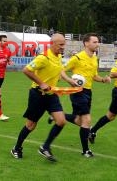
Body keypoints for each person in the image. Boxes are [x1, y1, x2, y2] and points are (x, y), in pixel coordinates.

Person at [10, 33, 78, 162]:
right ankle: (16, 148)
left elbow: (59, 71)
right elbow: (26, 70)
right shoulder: (43, 57)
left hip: (51, 95)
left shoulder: (58, 56)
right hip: (38, 95)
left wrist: (69, 80)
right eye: (61, 44)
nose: (63, 47)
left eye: (64, 44)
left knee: (61, 121)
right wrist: (41, 83)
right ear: (52, 44)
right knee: (31, 125)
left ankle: (45, 147)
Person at [55, 33, 111, 157]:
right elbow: (61, 71)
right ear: (86, 43)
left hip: (88, 92)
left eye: (98, 42)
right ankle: (85, 150)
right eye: (95, 42)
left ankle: (59, 116)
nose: (98, 44)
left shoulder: (94, 59)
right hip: (77, 92)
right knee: (87, 120)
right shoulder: (78, 58)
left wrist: (103, 80)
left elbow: (94, 76)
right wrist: (70, 81)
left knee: (80, 120)